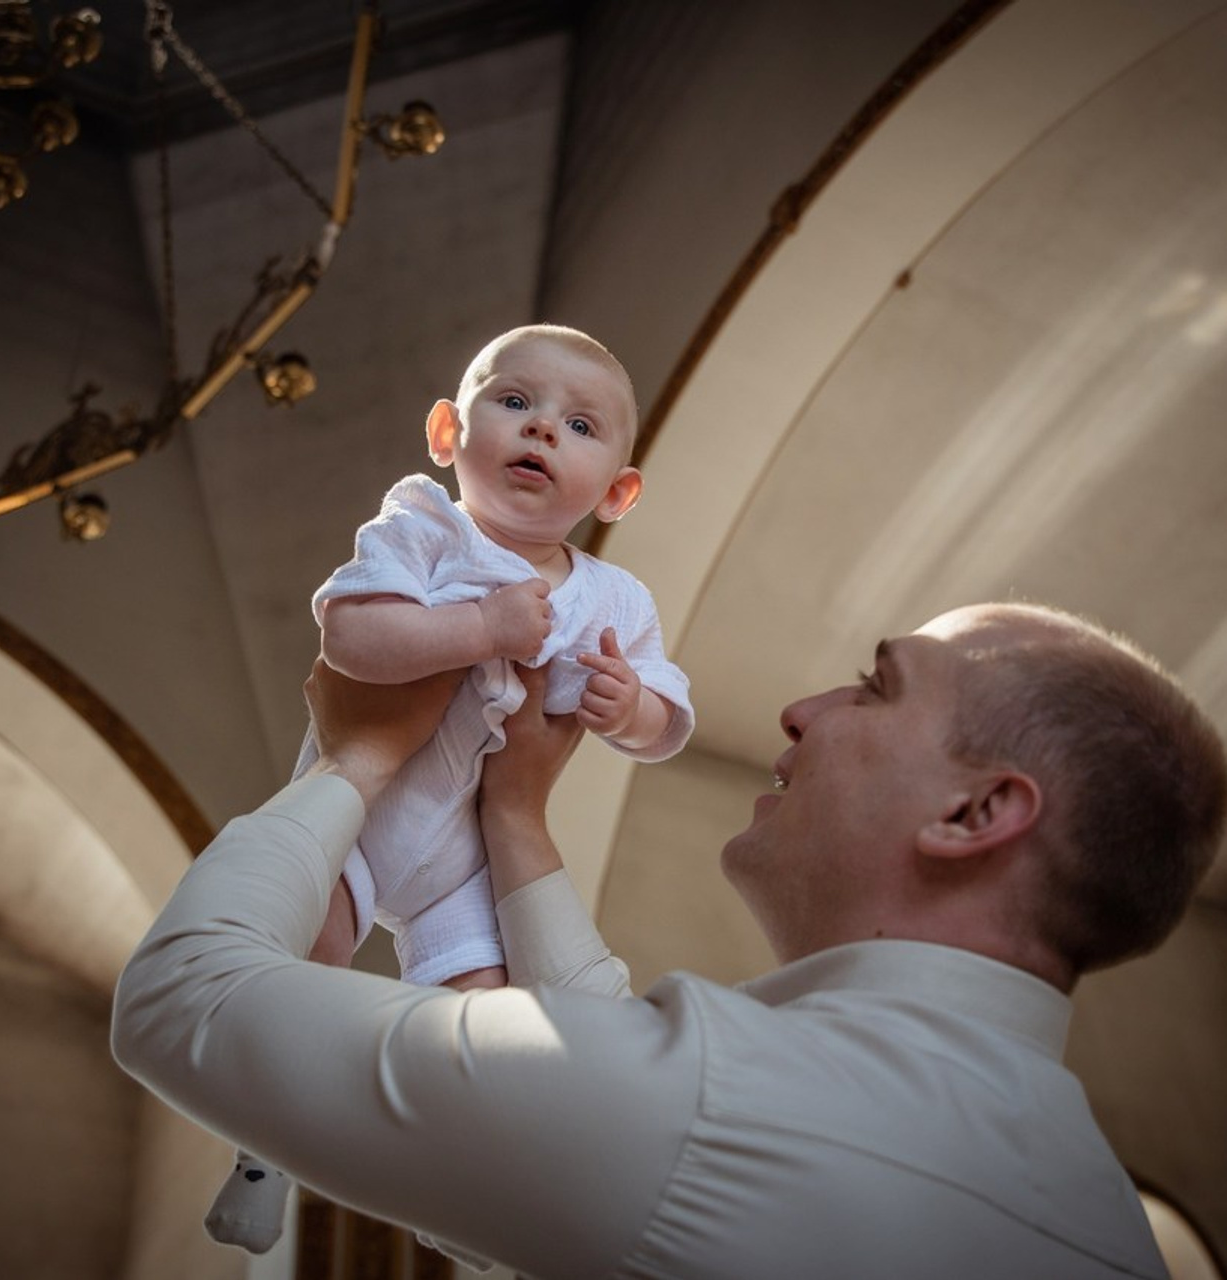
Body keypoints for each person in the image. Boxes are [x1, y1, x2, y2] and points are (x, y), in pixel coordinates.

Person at [113, 601, 1226, 1277]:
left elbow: (182, 996)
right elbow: (616, 1132)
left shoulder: (721, 1107)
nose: (801, 707)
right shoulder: (1100, 1217)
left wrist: (357, 755)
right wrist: (513, 818)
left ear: (974, 814)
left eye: (872, 687)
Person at [203, 323, 694, 1252]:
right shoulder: (422, 527)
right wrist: (482, 626)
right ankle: (264, 1155)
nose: (543, 431)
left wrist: (628, 707)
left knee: (484, 1027)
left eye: (581, 426)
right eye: (515, 403)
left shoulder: (616, 602)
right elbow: (351, 640)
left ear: (619, 493)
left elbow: (669, 724)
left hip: (468, 863)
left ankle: (449, 1191)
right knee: (303, 969)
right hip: (364, 811)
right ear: (445, 434)